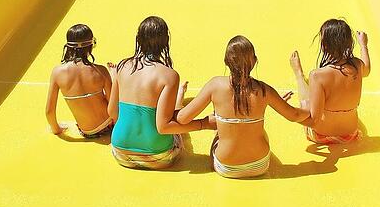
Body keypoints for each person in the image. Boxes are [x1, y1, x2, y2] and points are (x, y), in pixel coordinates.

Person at [177, 36, 310, 178]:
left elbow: (182, 118)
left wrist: (211, 121)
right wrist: (309, 110)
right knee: (257, 129)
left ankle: (184, 97)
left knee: (220, 129)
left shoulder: (215, 86)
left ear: (226, 62)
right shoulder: (264, 91)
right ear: (254, 61)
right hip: (260, 164)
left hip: (226, 167)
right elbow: (294, 115)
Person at [108, 17, 214, 170]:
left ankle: (178, 96)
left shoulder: (122, 67)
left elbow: (112, 112)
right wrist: (204, 124)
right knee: (177, 124)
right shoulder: (169, 76)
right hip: (158, 157)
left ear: (138, 39)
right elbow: (164, 127)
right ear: (165, 41)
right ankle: (178, 98)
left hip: (121, 153)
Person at [289, 19, 370, 144]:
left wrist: (291, 115)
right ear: (349, 43)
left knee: (306, 102)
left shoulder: (317, 76)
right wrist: (363, 45)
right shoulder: (358, 66)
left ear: (324, 45)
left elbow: (314, 120)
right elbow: (367, 70)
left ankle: (298, 73)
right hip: (351, 134)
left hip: (321, 136)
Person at [45, 24, 113, 138]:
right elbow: (113, 104)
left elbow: (49, 111)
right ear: (91, 45)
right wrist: (114, 77)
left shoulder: (57, 72)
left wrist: (57, 130)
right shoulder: (101, 71)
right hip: (109, 125)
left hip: (88, 131)